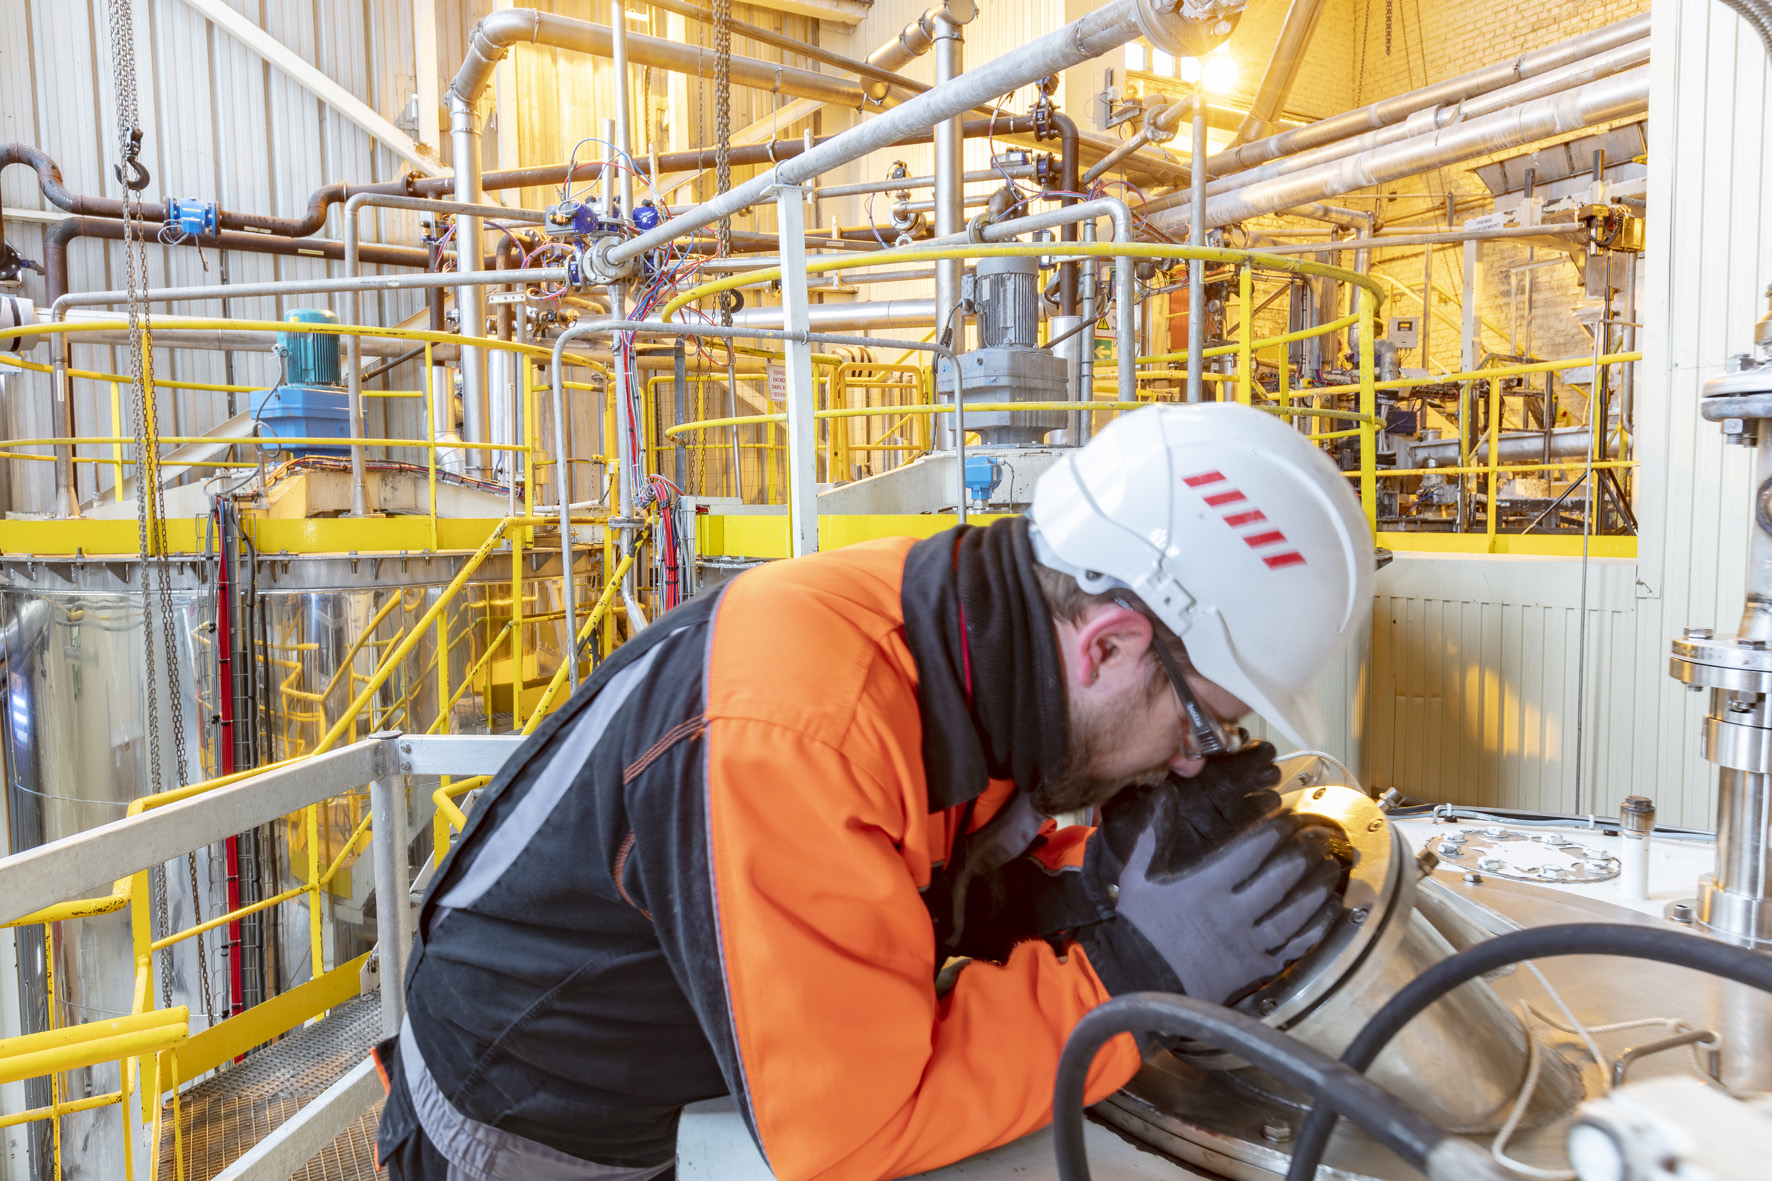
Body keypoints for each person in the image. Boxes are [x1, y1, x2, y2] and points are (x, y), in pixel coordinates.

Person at [374, 402, 1375, 1181]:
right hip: (528, 1134)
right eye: (1201, 724)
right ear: (1108, 642)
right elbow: (846, 1132)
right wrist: (1129, 972)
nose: (1195, 759)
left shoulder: (959, 628)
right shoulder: (801, 727)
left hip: (677, 1079)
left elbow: (928, 853)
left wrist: (1099, 877)